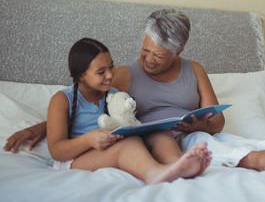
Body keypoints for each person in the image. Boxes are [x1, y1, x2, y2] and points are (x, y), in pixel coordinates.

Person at [4, 9, 265, 173]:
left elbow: (217, 120)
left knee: (213, 139)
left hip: (192, 132)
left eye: (158, 55)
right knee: (198, 142)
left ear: (178, 51)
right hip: (157, 138)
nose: (148, 60)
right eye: (145, 51)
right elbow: (84, 96)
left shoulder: (194, 70)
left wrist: (203, 124)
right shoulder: (124, 74)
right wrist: (44, 124)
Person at [47, 38, 211, 185]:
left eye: (111, 66)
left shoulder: (113, 94)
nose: (110, 74)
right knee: (128, 144)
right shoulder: (62, 99)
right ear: (81, 75)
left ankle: (177, 165)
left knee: (161, 134)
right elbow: (56, 150)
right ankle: (153, 173)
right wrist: (88, 140)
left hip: (110, 148)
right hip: (77, 159)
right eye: (101, 71)